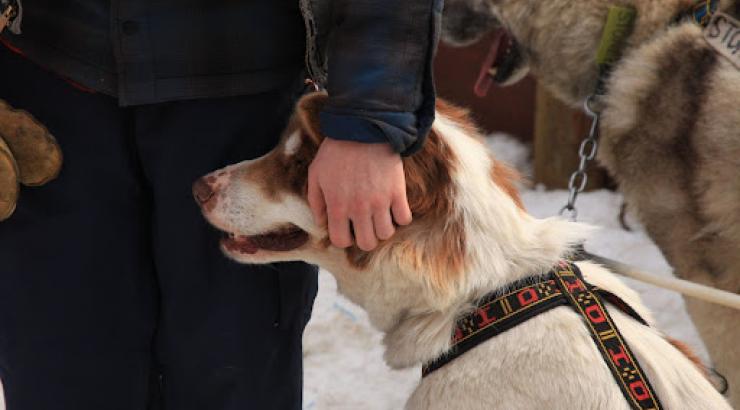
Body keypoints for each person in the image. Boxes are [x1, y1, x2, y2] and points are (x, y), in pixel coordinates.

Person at [0, 0, 441, 409]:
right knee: (62, 373)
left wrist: (371, 115)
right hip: (46, 81)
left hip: (243, 100)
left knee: (232, 370)